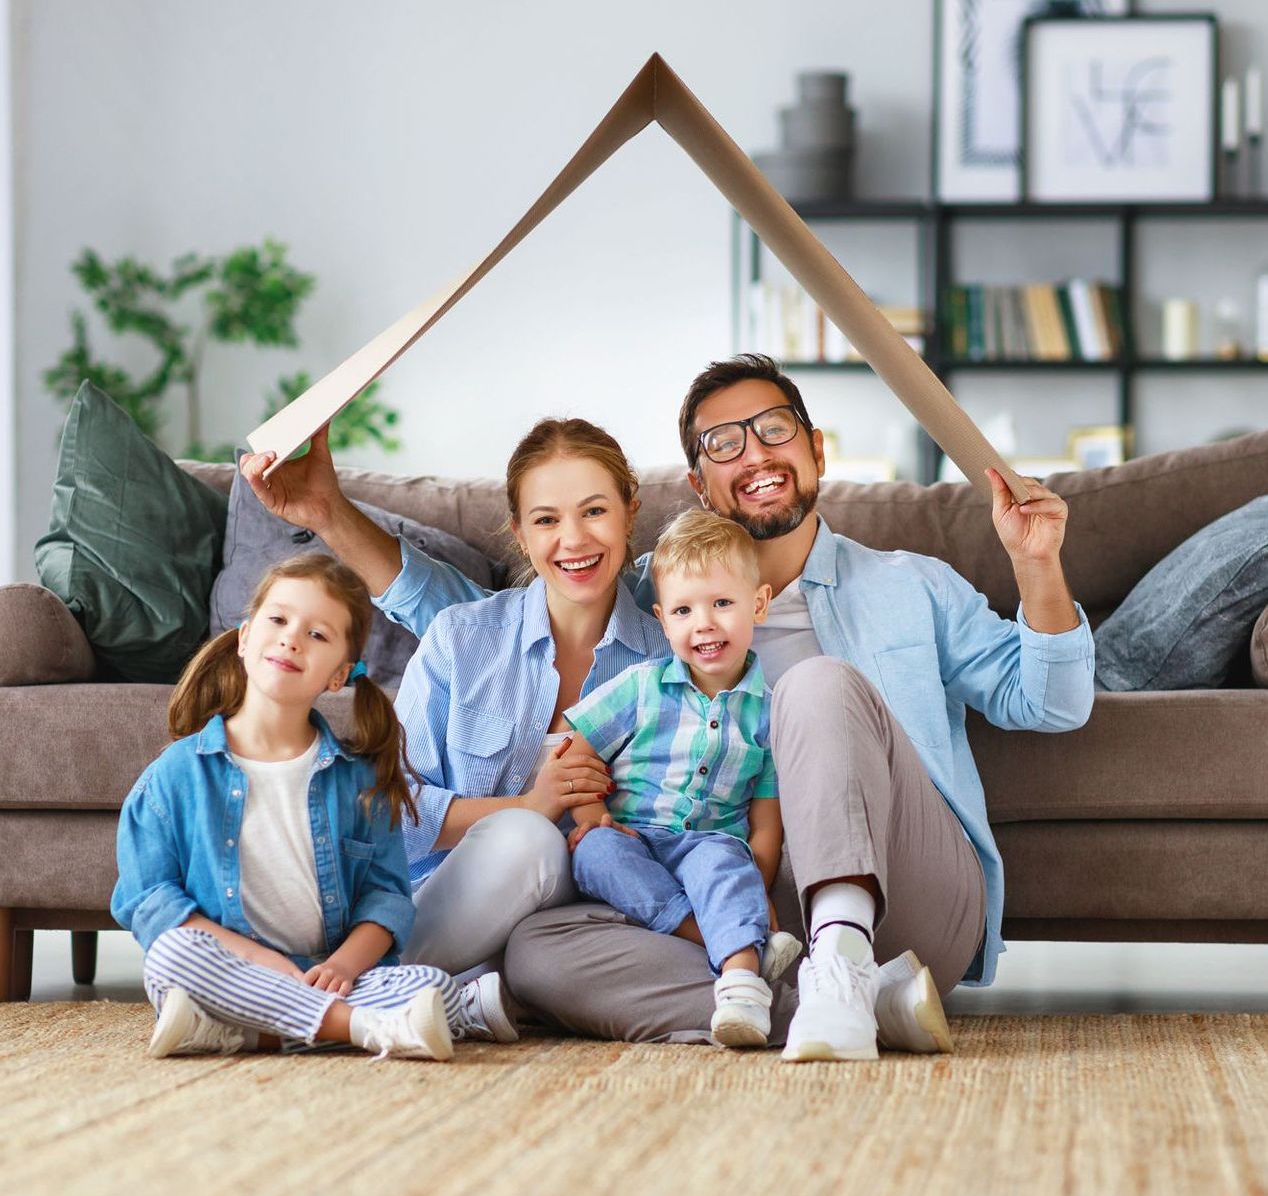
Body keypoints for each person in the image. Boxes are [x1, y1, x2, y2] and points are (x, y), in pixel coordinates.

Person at [505, 353, 1095, 1059]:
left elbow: (1052, 705)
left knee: (816, 685)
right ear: (699, 484)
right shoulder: (651, 601)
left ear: (815, 450)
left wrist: (1036, 564)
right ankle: (848, 1004)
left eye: (775, 429)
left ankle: (845, 958)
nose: (755, 453)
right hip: (739, 908)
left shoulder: (909, 585)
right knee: (536, 952)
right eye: (724, 443)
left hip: (909, 890)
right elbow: (512, 619)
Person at [240, 418, 669, 977]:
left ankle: (386, 990)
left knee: (546, 886)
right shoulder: (462, 637)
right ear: (519, 533)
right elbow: (393, 810)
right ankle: (373, 983)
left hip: (578, 922)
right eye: (546, 520)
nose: (574, 539)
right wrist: (526, 807)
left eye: (594, 511)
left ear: (629, 511)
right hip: (446, 903)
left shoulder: (667, 661)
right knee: (527, 838)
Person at [111, 554, 516, 1060]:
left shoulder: (359, 781)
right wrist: (257, 959)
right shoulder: (175, 775)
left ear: (338, 675)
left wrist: (345, 966)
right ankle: (367, 1027)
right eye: (278, 620)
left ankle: (245, 1032)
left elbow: (385, 899)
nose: (291, 639)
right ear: (244, 637)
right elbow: (148, 900)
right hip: (226, 969)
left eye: (318, 635)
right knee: (171, 957)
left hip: (324, 972)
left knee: (424, 981)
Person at [563, 509, 802, 1047]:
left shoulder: (769, 711)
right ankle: (729, 940)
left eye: (722, 603)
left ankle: (741, 984)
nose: (705, 623)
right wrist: (592, 820)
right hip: (635, 838)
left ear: (758, 604)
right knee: (595, 854)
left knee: (726, 863)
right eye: (684, 610)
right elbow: (576, 752)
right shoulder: (641, 686)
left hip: (710, 844)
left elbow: (767, 818)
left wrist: (752, 876)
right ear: (663, 620)